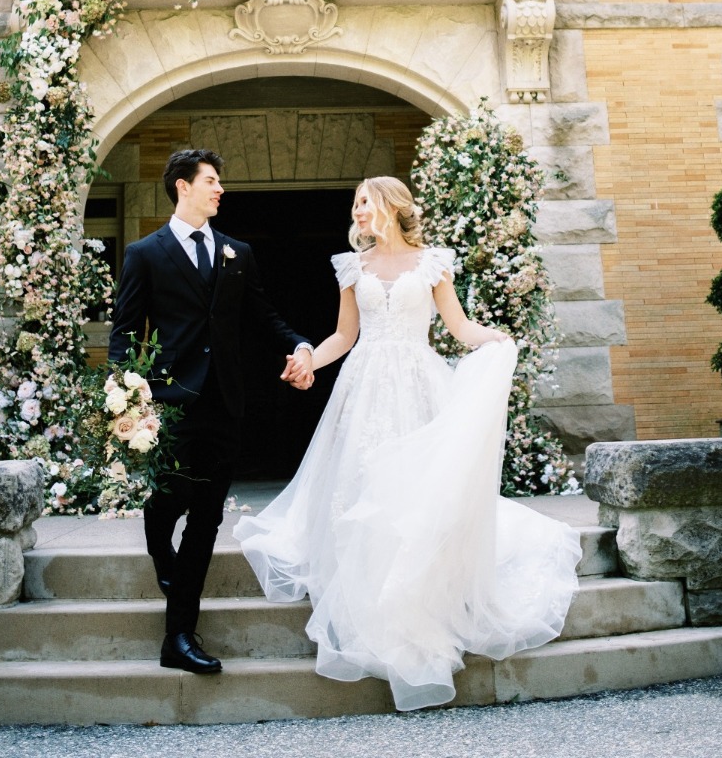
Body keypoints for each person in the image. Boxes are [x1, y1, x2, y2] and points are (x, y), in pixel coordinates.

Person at [235, 176, 582, 711]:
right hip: (365, 384)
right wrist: (309, 359)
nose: (357, 211)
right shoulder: (352, 268)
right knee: (365, 490)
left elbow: (460, 328)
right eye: (353, 205)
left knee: (421, 492)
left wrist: (496, 341)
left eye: (364, 201)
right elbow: (343, 336)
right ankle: (373, 594)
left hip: (420, 382)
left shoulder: (433, 263)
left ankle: (422, 594)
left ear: (391, 206)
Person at [107, 148, 313, 675]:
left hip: (226, 402)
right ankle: (157, 533)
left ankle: (178, 637)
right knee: (172, 499)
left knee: (207, 518)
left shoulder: (236, 252)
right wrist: (126, 398)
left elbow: (262, 315)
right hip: (170, 405)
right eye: (212, 181)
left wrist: (301, 346)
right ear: (182, 186)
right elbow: (126, 333)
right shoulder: (144, 254)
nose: (221, 190)